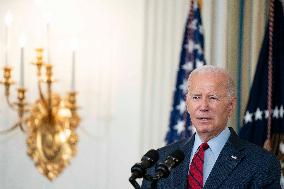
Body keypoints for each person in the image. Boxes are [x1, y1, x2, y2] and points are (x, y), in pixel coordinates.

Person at [141, 65, 281, 189]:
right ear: (187, 104)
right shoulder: (159, 161)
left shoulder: (261, 163)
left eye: (213, 98)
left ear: (230, 106)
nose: (203, 107)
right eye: (196, 97)